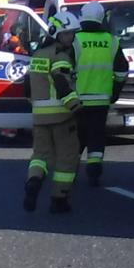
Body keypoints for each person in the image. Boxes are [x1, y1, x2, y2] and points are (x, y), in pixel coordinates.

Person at [24, 13, 82, 213]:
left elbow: (27, 86)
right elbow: (61, 82)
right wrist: (75, 106)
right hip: (61, 116)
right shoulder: (60, 55)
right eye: (67, 34)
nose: (71, 38)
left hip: (40, 116)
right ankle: (59, 198)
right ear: (56, 34)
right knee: (67, 156)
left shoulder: (37, 55)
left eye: (72, 34)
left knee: (40, 155)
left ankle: (33, 181)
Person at [71, 1, 129, 185]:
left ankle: (69, 170)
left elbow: (64, 69)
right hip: (102, 100)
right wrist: (116, 91)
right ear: (102, 18)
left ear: (82, 16)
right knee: (96, 135)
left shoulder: (74, 40)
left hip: (77, 100)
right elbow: (122, 71)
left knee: (77, 136)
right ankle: (94, 169)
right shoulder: (111, 41)